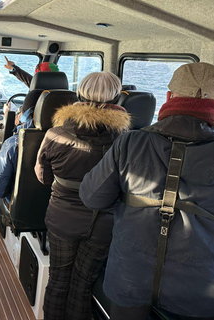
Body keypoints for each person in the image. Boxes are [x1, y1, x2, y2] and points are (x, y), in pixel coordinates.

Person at [79, 62, 214, 319]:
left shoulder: (130, 141)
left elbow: (91, 197)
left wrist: (127, 202)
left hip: (130, 280)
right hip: (202, 293)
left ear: (168, 97)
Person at [35, 72, 130, 320]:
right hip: (103, 224)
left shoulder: (55, 134)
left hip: (62, 219)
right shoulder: (126, 141)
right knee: (82, 286)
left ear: (78, 96)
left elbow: (43, 177)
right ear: (117, 98)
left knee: (58, 282)